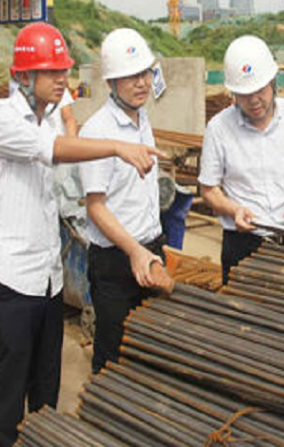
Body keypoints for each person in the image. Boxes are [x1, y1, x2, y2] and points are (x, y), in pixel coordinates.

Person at [0, 22, 164, 447]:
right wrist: (117, 146)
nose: (63, 79)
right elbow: (60, 152)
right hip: (10, 280)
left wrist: (67, 117)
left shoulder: (48, 124)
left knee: (46, 386)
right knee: (10, 387)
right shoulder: (2, 118)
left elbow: (62, 143)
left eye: (64, 70)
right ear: (24, 76)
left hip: (47, 279)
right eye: (51, 72)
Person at [79, 28, 174, 374]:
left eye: (145, 73)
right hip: (116, 261)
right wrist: (134, 251)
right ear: (110, 83)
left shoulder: (142, 118)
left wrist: (150, 250)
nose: (141, 83)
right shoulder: (97, 131)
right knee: (114, 355)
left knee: (148, 348)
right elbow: (96, 207)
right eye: (130, 76)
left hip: (151, 248)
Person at [199, 35, 284, 284]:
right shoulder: (219, 128)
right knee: (241, 315)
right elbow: (208, 189)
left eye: (260, 90)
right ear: (233, 92)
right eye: (245, 94)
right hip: (242, 244)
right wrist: (233, 209)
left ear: (273, 81)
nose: (254, 100)